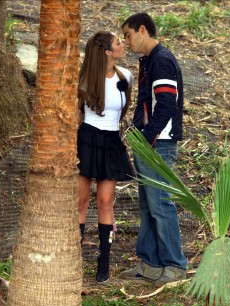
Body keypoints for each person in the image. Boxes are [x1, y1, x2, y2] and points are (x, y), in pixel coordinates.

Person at [120, 13, 187, 284]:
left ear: (143, 30)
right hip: (148, 142)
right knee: (148, 205)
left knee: (161, 204)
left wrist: (147, 137)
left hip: (159, 144)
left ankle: (174, 265)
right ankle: (150, 264)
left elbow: (167, 105)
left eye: (128, 34)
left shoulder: (162, 59)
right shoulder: (149, 61)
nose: (126, 41)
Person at [77, 31, 133, 284]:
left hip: (111, 140)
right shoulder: (86, 78)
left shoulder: (125, 76)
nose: (123, 44)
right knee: (80, 199)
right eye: (118, 43)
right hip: (87, 139)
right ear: (107, 52)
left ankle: (104, 259)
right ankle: (74, 255)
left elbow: (124, 108)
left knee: (105, 200)